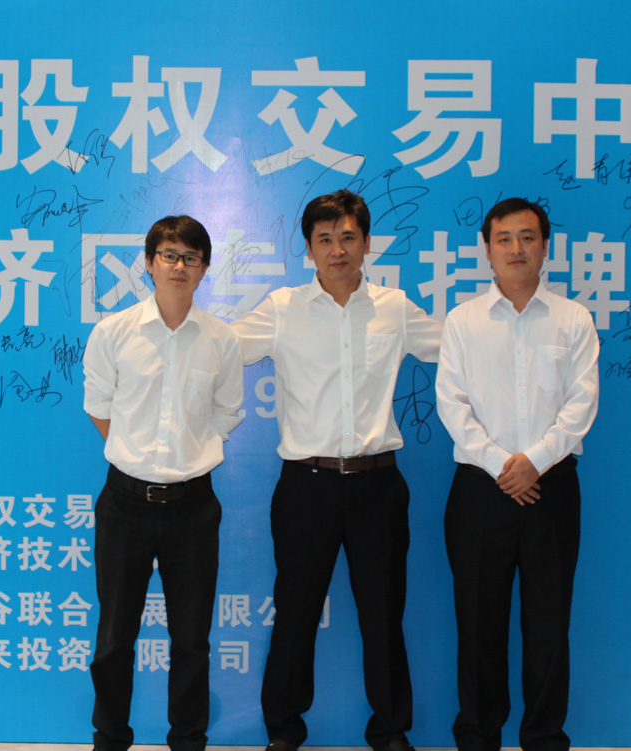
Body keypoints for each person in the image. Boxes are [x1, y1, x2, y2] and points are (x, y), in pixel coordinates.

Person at [231, 189, 441, 751]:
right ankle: (283, 729)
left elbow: (459, 349)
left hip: (378, 484)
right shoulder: (282, 309)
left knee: (383, 614)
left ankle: (390, 730)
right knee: (295, 613)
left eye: (348, 237)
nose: (337, 249)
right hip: (307, 485)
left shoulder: (395, 308)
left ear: (367, 243)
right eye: (324, 239)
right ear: (309, 248)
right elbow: (221, 348)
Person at [435, 198, 599, 751]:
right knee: (478, 621)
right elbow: (452, 404)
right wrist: (501, 465)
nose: (516, 248)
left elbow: (581, 403)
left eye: (527, 237)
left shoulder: (573, 319)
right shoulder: (462, 322)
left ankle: (544, 737)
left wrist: (535, 462)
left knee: (549, 624)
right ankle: (478, 735)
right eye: (503, 239)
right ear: (487, 249)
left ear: (545, 246)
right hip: (481, 490)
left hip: (552, 488)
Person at [82, 215, 244, 751]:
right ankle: (110, 739)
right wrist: (138, 456)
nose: (179, 266)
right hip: (124, 503)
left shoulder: (221, 339)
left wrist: (185, 457)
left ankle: (188, 740)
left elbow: (226, 412)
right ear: (149, 263)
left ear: (204, 268)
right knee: (114, 637)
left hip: (193, 507)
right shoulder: (114, 332)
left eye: (190, 258)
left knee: (192, 640)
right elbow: (99, 407)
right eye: (169, 255)